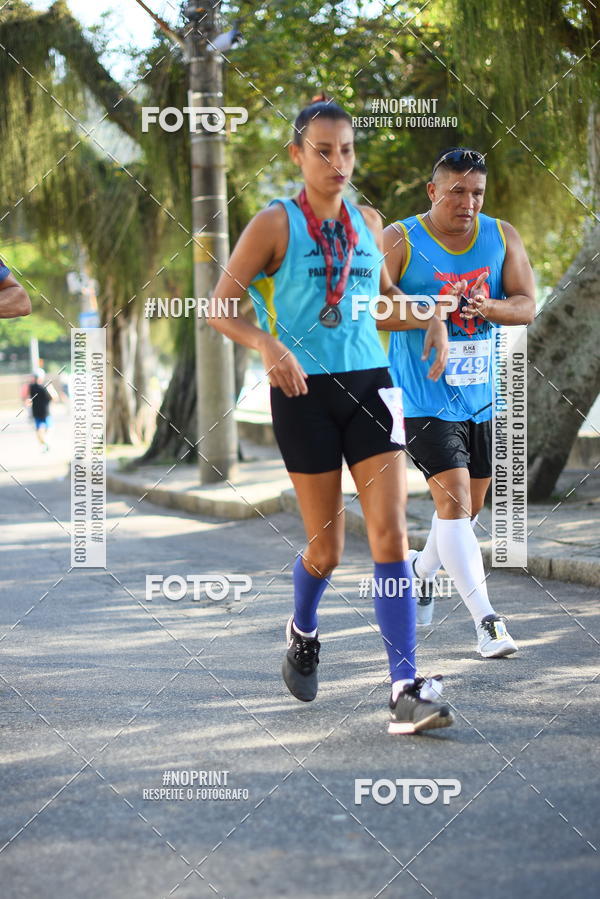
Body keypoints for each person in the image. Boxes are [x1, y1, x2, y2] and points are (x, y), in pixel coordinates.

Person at [208, 96, 455, 734]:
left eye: (346, 149)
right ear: (297, 154)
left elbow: (382, 300)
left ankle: (404, 684)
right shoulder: (274, 224)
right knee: (327, 548)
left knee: (391, 536)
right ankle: (302, 628)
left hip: (372, 387)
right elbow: (219, 306)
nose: (337, 162)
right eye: (323, 150)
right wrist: (267, 343)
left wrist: (428, 315)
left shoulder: (369, 221)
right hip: (301, 396)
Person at [383, 147, 536, 658]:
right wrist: (430, 310)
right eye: (456, 191)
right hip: (421, 396)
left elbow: (526, 305)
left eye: (476, 193)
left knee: (463, 515)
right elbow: (371, 306)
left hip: (481, 398)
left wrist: (488, 306)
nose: (467, 202)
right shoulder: (401, 238)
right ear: (433, 191)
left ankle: (420, 572)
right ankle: (487, 622)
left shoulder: (500, 235)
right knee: (454, 503)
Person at [27, 369, 57, 451]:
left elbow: (27, 399)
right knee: (49, 429)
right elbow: (54, 398)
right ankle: (46, 443)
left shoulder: (31, 387)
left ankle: (45, 443)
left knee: (39, 430)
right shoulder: (46, 386)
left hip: (36, 412)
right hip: (46, 412)